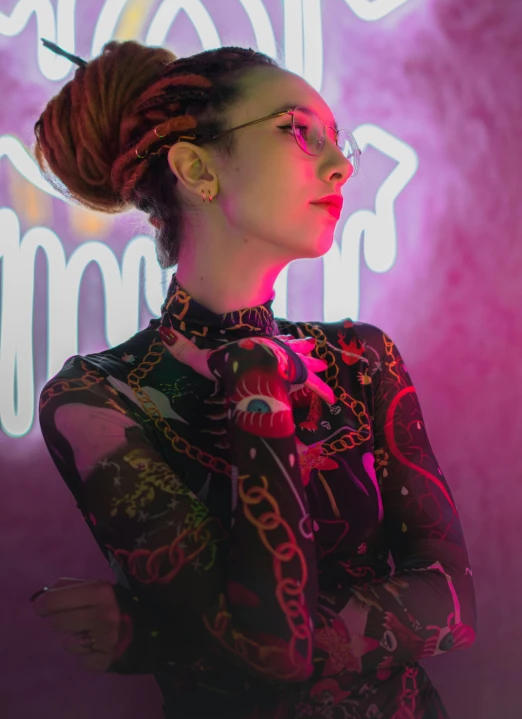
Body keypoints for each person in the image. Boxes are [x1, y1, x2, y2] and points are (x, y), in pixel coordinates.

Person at [32, 39, 476, 719]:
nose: (339, 167)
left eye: (337, 140)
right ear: (196, 169)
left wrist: (162, 633)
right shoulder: (99, 396)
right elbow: (276, 651)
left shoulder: (361, 357)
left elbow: (454, 598)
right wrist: (256, 379)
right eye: (299, 132)